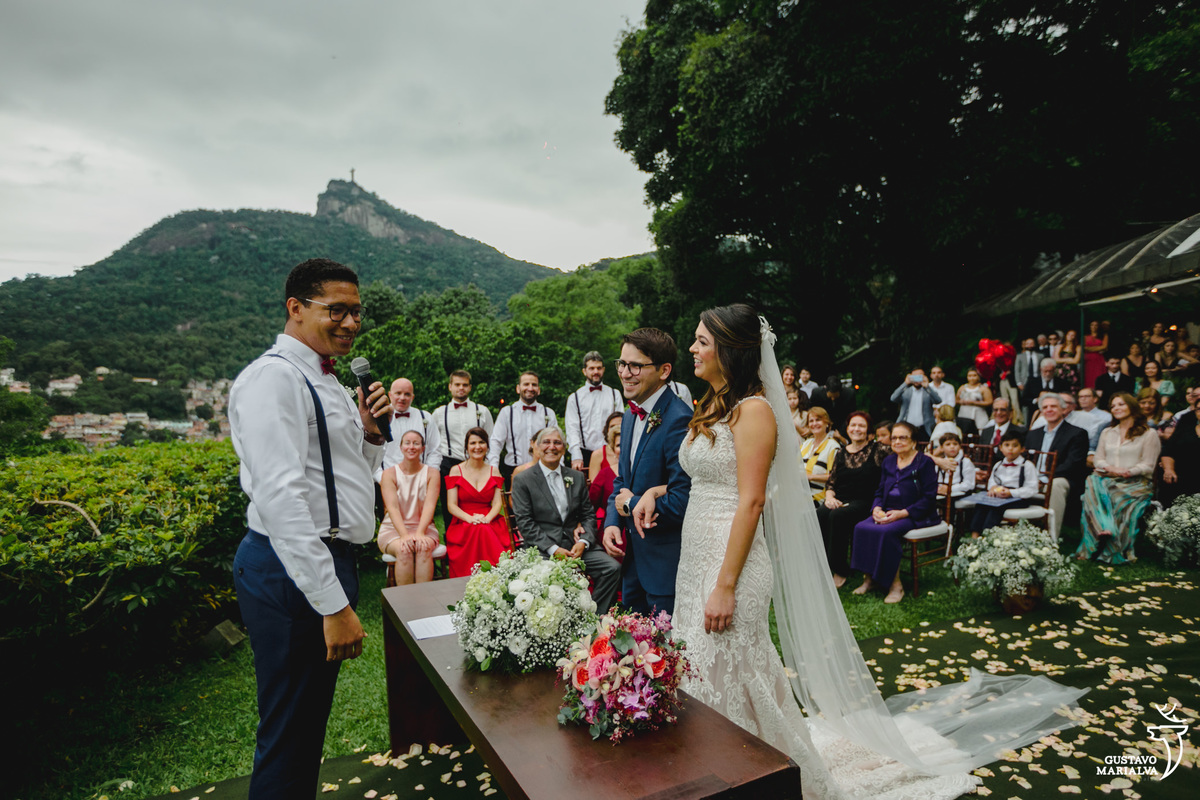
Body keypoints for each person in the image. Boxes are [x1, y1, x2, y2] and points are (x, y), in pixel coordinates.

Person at [635, 304, 1086, 799]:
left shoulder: (756, 410)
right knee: (706, 669)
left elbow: (752, 500)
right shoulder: (713, 405)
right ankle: (722, 769)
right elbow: (707, 475)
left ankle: (755, 775)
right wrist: (657, 491)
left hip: (731, 562)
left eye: (702, 340)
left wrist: (725, 584)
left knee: (731, 669)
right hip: (695, 557)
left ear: (729, 349)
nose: (693, 348)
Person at [229, 258, 391, 799]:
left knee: (306, 727)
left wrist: (372, 436)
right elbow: (281, 499)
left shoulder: (330, 381)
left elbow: (343, 479)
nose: (351, 323)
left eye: (357, 312)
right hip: (289, 569)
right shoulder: (273, 379)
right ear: (296, 308)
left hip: (327, 558)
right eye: (336, 310)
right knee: (289, 730)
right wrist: (332, 605)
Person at [601, 328, 692, 616]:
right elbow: (623, 480)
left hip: (665, 566)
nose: (625, 373)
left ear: (664, 371)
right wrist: (613, 522)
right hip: (633, 564)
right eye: (621, 364)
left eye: (635, 366)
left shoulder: (679, 420)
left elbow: (683, 501)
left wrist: (629, 504)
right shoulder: (630, 414)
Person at [510, 427, 621, 612]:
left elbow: (588, 514)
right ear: (537, 447)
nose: (551, 447)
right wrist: (553, 549)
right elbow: (525, 523)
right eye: (546, 442)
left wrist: (584, 542)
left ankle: (592, 615)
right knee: (545, 575)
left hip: (575, 546)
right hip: (542, 548)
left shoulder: (576, 477)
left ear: (564, 448)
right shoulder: (523, 480)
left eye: (557, 442)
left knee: (612, 568)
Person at [850, 421, 940, 603]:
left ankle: (895, 585)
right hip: (888, 510)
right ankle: (870, 579)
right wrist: (876, 508)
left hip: (915, 513)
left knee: (886, 532)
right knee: (861, 527)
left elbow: (929, 497)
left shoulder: (924, 462)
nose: (897, 441)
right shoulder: (889, 461)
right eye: (894, 438)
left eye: (903, 438)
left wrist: (903, 513)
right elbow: (879, 490)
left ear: (913, 441)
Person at [1075, 393, 1161, 563]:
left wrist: (1127, 472)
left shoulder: (1149, 434)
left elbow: (1148, 465)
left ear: (1132, 406)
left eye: (1121, 404)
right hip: (1108, 478)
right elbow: (1098, 459)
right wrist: (1112, 469)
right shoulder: (1107, 432)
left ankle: (1107, 542)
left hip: (1136, 483)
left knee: (1109, 494)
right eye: (1113, 406)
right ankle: (1103, 529)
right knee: (1092, 481)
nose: (1116, 408)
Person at [816, 411, 886, 588]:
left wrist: (937, 459)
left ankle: (840, 570)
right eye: (853, 425)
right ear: (847, 429)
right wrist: (829, 498)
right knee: (821, 513)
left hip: (865, 500)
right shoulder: (841, 453)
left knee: (837, 516)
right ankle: (824, 565)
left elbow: (906, 453)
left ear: (868, 430)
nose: (857, 429)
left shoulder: (878, 450)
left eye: (861, 425)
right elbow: (831, 482)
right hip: (840, 499)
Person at [376, 430, 441, 585]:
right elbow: (392, 508)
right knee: (404, 549)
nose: (411, 447)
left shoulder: (432, 474)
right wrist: (404, 535)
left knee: (423, 547)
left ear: (423, 448)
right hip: (393, 529)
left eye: (416, 443)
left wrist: (420, 532)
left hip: (424, 527)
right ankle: (406, 599)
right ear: (401, 447)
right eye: (407, 443)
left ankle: (423, 597)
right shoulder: (389, 474)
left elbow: (429, 506)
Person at [444, 427, 509, 577]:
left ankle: (494, 577)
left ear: (487, 446)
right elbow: (451, 505)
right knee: (478, 529)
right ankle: (469, 575)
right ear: (467, 447)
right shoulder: (456, 470)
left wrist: (487, 519)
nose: (477, 447)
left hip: (489, 519)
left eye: (481, 442)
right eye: (473, 443)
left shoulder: (494, 471)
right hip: (463, 519)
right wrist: (470, 519)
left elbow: (497, 504)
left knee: (483, 529)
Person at [432, 370, 494, 526]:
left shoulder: (482, 411)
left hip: (477, 464)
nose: (461, 388)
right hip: (449, 463)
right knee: (449, 508)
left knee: (478, 505)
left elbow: (491, 439)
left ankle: (479, 533)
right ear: (450, 387)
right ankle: (451, 538)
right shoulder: (439, 413)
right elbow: (433, 443)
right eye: (457, 384)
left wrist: (490, 465)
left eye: (465, 385)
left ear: (470, 387)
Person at [1024, 394, 1089, 540]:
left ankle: (1050, 539)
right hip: (1033, 479)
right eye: (1045, 407)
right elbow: (1025, 459)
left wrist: (1045, 479)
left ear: (1063, 409)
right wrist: (1031, 478)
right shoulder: (1033, 434)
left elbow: (1072, 464)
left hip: (1061, 478)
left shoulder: (1077, 433)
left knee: (1055, 485)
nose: (1049, 410)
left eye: (1053, 406)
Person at [488, 371, 559, 482]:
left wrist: (559, 466)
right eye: (526, 384)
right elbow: (496, 442)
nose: (530, 388)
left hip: (543, 468)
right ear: (518, 388)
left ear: (539, 390)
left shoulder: (548, 413)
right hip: (513, 469)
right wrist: (493, 468)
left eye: (534, 385)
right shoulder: (507, 412)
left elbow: (557, 443)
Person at [967, 430, 1038, 537]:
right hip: (1000, 495)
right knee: (981, 504)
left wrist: (1011, 493)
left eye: (1015, 446)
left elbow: (1032, 488)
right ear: (1001, 448)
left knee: (996, 507)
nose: (1010, 449)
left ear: (1022, 449)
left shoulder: (1027, 466)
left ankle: (988, 535)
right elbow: (993, 480)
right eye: (1007, 445)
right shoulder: (998, 465)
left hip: (1019, 498)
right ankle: (975, 535)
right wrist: (993, 487)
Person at [564, 350, 624, 471]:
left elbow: (620, 426)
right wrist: (576, 455)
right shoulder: (575, 398)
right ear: (584, 371)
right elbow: (572, 428)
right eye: (591, 368)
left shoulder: (614, 394)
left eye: (599, 368)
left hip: (610, 452)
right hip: (584, 454)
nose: (596, 372)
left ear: (603, 370)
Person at [377, 377, 441, 478]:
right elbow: (371, 452)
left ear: (412, 397)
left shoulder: (425, 417)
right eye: (398, 393)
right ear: (390, 395)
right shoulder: (379, 418)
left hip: (420, 479)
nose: (402, 398)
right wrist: (382, 478)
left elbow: (435, 450)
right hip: (387, 479)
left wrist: (427, 476)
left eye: (407, 394)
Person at [1162, 388, 1200, 505]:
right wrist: (1169, 469)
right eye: (1198, 409)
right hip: (1183, 477)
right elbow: (1168, 450)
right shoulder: (1186, 423)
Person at [587, 412, 623, 528]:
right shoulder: (599, 459)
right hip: (607, 513)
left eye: (621, 425)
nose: (617, 428)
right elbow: (594, 497)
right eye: (612, 426)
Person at [800, 407, 841, 504]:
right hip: (799, 491)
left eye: (818, 420)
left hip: (819, 495)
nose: (814, 424)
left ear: (827, 423)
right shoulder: (806, 444)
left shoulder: (833, 446)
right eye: (811, 421)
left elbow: (834, 476)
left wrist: (810, 477)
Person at [890, 367, 940, 438]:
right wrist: (905, 383)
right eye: (914, 377)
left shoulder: (928, 391)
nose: (917, 379)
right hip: (906, 426)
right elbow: (893, 398)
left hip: (925, 428)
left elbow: (938, 400)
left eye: (919, 376)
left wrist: (927, 387)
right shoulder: (906, 390)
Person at [1020, 358, 1068, 426]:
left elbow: (1066, 399)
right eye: (1045, 371)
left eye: (1050, 371)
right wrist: (1036, 400)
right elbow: (1023, 400)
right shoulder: (1032, 382)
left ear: (1054, 370)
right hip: (1035, 416)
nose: (1048, 374)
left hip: (1056, 418)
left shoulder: (1062, 383)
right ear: (1040, 369)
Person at [1071, 387, 1112, 453]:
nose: (1083, 399)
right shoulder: (1073, 415)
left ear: (1095, 399)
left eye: (1087, 396)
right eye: (1080, 397)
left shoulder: (1106, 416)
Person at [955, 368, 993, 433]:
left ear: (979, 376)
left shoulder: (983, 388)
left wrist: (974, 403)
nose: (972, 378)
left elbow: (989, 401)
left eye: (974, 375)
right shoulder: (962, 387)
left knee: (981, 430)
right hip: (964, 413)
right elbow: (956, 400)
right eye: (969, 376)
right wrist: (961, 402)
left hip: (979, 413)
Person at [1083, 320, 1109, 389]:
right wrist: (1098, 348)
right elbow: (1084, 348)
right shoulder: (1085, 336)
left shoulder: (1103, 335)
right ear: (1089, 326)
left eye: (1096, 325)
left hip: (1098, 359)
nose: (1094, 327)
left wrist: (1089, 349)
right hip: (1088, 360)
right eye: (1092, 325)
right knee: (1088, 377)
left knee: (1098, 375)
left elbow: (1104, 347)